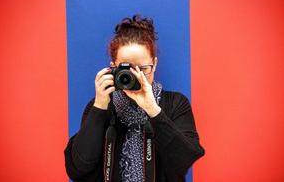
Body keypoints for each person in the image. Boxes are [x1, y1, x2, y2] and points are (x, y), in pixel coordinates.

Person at [64, 14, 205, 182]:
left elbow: (185, 161)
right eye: (127, 70)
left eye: (143, 69)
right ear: (113, 68)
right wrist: (99, 108)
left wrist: (153, 111)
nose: (136, 77)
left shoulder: (175, 104)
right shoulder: (102, 106)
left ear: (155, 64)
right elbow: (77, 169)